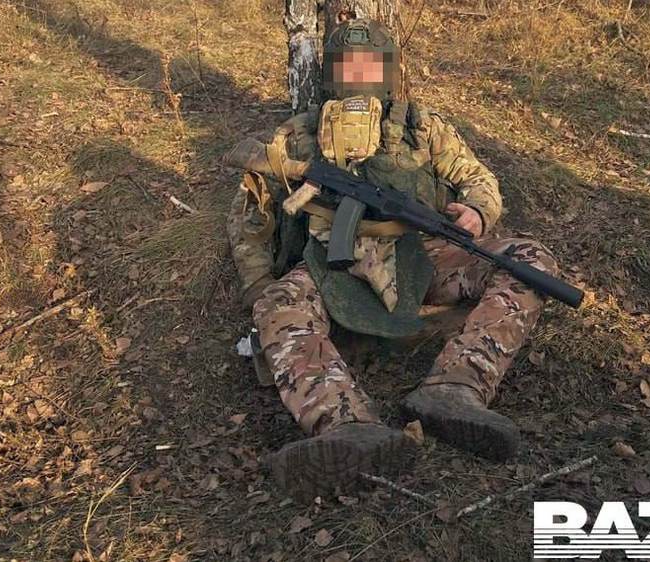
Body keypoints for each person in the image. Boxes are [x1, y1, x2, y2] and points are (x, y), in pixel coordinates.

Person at [225, 18, 560, 502]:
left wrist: (478, 212)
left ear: (388, 71)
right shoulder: (297, 137)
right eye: (347, 65)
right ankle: (346, 426)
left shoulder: (422, 129)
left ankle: (456, 388)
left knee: (529, 261)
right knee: (278, 302)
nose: (359, 75)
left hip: (423, 253)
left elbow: (479, 180)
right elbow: (250, 216)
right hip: (330, 263)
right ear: (331, 73)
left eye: (369, 65)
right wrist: (258, 285)